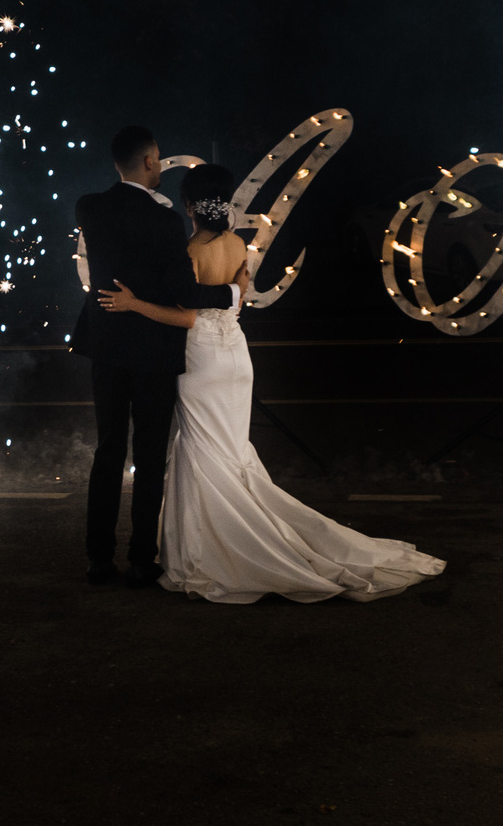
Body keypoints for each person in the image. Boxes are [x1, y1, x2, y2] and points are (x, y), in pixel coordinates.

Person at [98, 162, 445, 603]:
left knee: (204, 450)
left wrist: (133, 304)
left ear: (188, 206)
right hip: (236, 357)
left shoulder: (189, 251)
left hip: (202, 361)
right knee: (230, 450)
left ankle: (220, 548)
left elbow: (187, 317)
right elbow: (237, 298)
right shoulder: (237, 243)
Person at [74, 126, 250, 587]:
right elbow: (184, 292)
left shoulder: (88, 207)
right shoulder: (166, 220)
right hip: (153, 349)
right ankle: (140, 560)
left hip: (106, 346)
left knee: (108, 450)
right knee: (150, 457)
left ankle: (98, 559)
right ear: (151, 160)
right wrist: (233, 292)